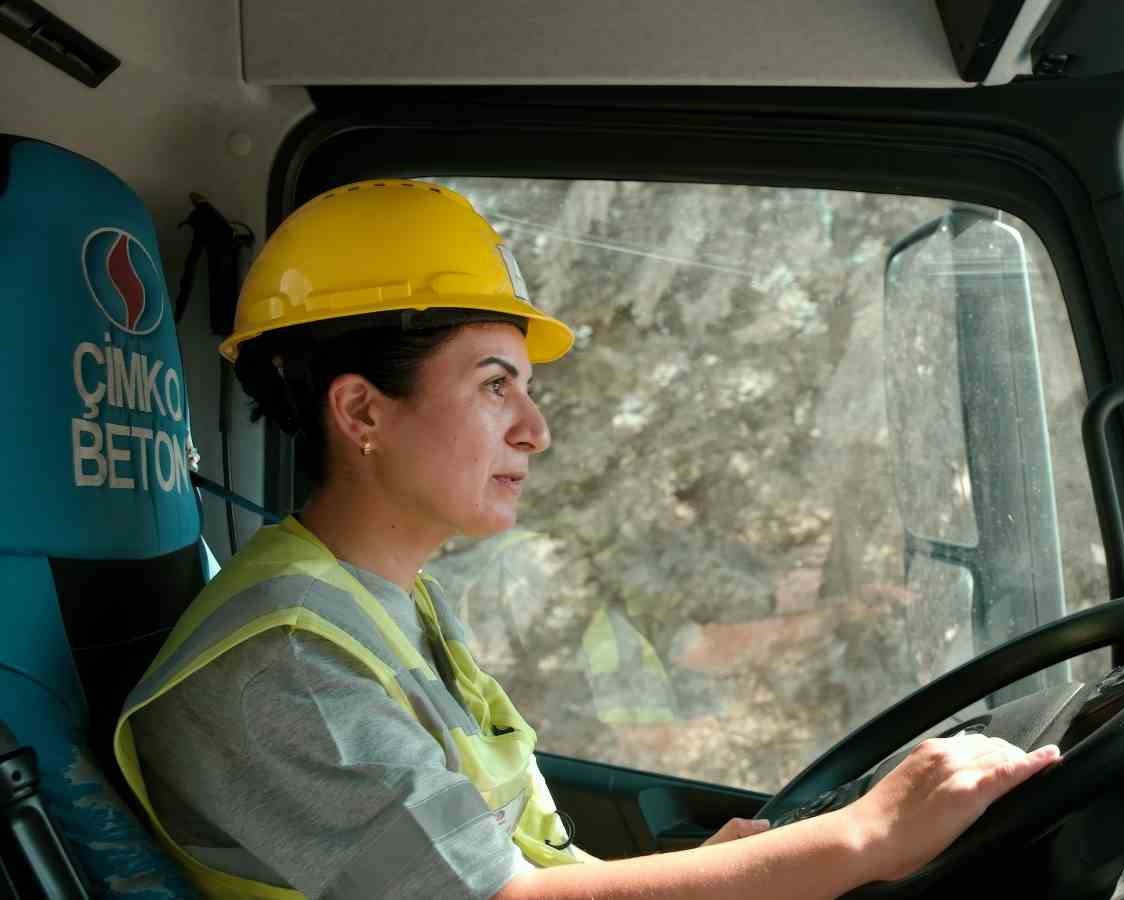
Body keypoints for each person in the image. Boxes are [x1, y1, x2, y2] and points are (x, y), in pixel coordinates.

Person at [112, 180, 1061, 900]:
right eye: (494, 385)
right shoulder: (288, 665)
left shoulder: (383, 604)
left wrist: (735, 865)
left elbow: (496, 856)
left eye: (527, 388)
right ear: (361, 409)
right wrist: (863, 837)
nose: (536, 429)